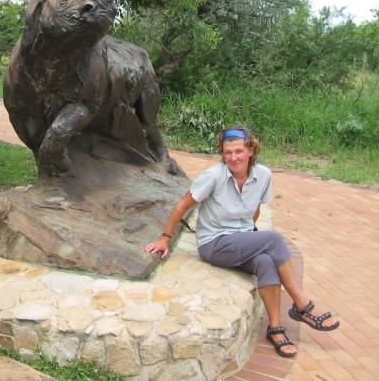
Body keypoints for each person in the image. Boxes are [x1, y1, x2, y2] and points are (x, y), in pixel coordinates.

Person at [145, 125, 339, 357]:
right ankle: (302, 304)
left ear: (250, 151)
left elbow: (255, 208)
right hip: (214, 244)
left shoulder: (263, 175)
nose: (233, 158)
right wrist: (165, 238)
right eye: (228, 153)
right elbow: (183, 205)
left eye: (238, 151)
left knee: (266, 261)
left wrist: (250, 236)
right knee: (274, 239)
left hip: (240, 240)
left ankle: (276, 328)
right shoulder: (213, 176)